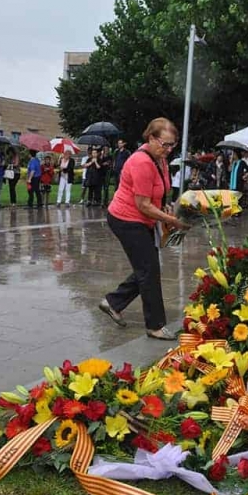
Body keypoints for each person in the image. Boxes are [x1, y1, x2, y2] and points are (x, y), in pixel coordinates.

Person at [99, 117, 189, 341]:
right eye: (165, 144)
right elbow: (143, 204)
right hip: (126, 219)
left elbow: (158, 194)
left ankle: (112, 302)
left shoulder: (161, 159)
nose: (168, 149)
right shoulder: (142, 162)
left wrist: (168, 209)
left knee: (147, 267)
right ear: (151, 138)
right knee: (149, 270)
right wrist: (172, 220)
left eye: (172, 145)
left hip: (143, 219)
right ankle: (155, 326)